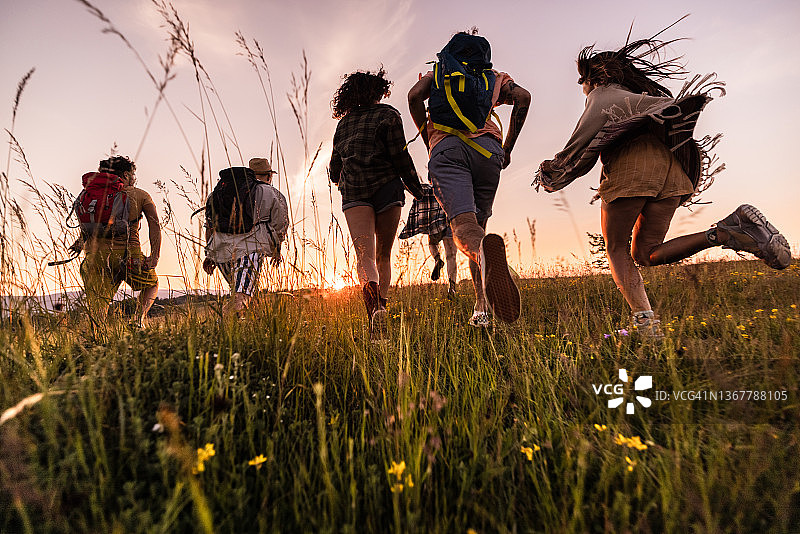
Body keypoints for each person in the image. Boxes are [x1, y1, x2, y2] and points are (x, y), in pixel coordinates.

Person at [534, 35, 792, 337]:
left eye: (582, 81)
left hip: (633, 169)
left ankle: (645, 325)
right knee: (645, 254)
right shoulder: (641, 95)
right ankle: (724, 231)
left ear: (594, 76)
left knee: (616, 247)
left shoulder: (602, 94)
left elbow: (581, 141)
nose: (582, 87)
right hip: (672, 172)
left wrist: (551, 171)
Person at [408, 30, 530, 327]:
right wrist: (507, 148)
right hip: (488, 151)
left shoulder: (438, 75)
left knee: (465, 227)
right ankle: (481, 308)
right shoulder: (495, 78)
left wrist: (428, 140)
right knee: (480, 230)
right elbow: (523, 98)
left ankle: (483, 282)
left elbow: (413, 97)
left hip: (447, 150)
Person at [329, 68, 424, 342]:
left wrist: (341, 178)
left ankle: (373, 313)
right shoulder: (388, 115)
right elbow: (401, 159)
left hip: (354, 192)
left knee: (365, 257)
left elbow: (335, 168)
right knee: (383, 255)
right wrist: (417, 190)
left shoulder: (343, 125)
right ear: (378, 91)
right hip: (387, 189)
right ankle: (382, 306)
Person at [73, 155, 161, 328]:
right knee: (152, 284)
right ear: (127, 175)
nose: (134, 179)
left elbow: (89, 226)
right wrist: (155, 255)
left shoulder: (88, 195)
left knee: (98, 302)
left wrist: (79, 242)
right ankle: (137, 320)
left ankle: (99, 336)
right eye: (133, 175)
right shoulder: (140, 195)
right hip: (129, 256)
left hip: (95, 258)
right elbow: (155, 225)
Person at [202, 158, 288, 317]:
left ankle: (244, 331)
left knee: (244, 293)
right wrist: (276, 248)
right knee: (242, 297)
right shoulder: (271, 193)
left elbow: (209, 226)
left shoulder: (216, 193)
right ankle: (219, 331)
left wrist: (210, 254)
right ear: (269, 175)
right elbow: (280, 225)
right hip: (250, 250)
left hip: (221, 252)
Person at [399, 183, 458, 299]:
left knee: (432, 244)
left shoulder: (427, 189)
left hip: (435, 226)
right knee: (451, 256)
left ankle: (437, 258)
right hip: (450, 223)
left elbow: (410, 186)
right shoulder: (450, 189)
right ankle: (452, 287)